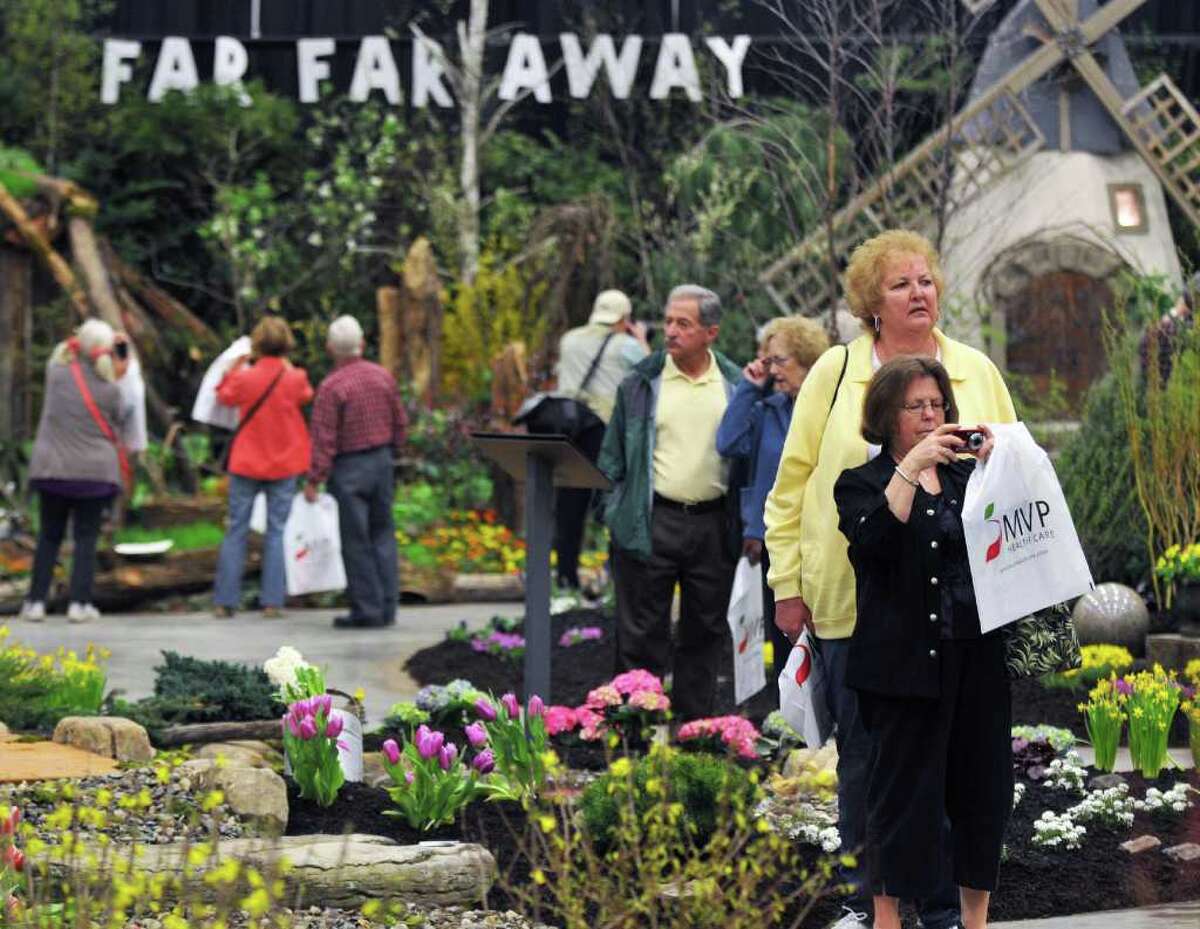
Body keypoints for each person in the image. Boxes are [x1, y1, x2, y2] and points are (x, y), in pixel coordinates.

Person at [764, 229, 1016, 929]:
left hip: (963, 612)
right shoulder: (837, 372)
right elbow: (792, 484)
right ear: (872, 302)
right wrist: (787, 583)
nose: (918, 293)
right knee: (871, 765)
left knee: (958, 766)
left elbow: (1017, 476)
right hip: (855, 601)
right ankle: (866, 902)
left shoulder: (973, 371)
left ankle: (939, 908)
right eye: (901, 284)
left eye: (926, 280)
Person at [834, 357, 1011, 929]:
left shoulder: (969, 477)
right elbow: (874, 547)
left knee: (981, 795)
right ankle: (889, 921)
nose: (931, 414)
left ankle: (975, 921)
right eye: (916, 406)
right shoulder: (860, 483)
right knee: (899, 802)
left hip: (975, 658)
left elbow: (1015, 538)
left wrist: (1000, 470)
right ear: (887, 415)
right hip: (901, 667)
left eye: (937, 404)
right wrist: (908, 469)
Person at [598, 284, 743, 721]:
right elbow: (611, 460)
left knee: (705, 631)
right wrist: (615, 516)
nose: (671, 331)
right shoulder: (641, 383)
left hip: (713, 524)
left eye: (684, 324)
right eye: (668, 321)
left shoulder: (735, 386)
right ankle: (635, 734)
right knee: (640, 634)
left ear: (711, 332)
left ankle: (693, 735)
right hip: (651, 521)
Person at [716, 316, 829, 690]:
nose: (772, 370)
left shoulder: (832, 407)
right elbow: (728, 443)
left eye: (779, 360)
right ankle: (791, 725)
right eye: (769, 361)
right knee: (785, 635)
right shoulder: (769, 409)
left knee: (825, 633)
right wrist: (749, 387)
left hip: (824, 540)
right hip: (775, 541)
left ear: (807, 359)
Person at [19, 319, 133, 623]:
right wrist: (122, 371)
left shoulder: (56, 374)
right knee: (86, 538)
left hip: (53, 471)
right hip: (95, 475)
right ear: (107, 351)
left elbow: (62, 354)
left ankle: (35, 603)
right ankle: (79, 604)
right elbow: (122, 420)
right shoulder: (111, 389)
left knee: (49, 536)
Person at [304, 315, 407, 629]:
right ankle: (388, 606)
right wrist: (394, 452)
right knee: (383, 534)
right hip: (381, 462)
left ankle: (367, 609)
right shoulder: (383, 377)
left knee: (356, 539)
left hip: (349, 468)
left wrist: (314, 479)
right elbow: (400, 421)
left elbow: (324, 438)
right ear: (362, 344)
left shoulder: (331, 387)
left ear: (330, 348)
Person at [212, 316, 313, 620]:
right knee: (277, 531)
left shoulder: (245, 377)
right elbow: (306, 395)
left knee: (237, 530)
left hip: (246, 463)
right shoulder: (295, 378)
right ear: (286, 345)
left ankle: (226, 601)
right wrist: (288, 368)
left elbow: (223, 395)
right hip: (284, 463)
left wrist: (234, 366)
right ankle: (272, 602)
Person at [552, 289, 650, 590]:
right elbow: (652, 372)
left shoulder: (568, 340)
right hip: (605, 434)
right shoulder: (626, 346)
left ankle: (566, 577)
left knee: (569, 507)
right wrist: (642, 340)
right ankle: (611, 578)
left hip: (568, 429)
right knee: (613, 503)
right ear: (624, 318)